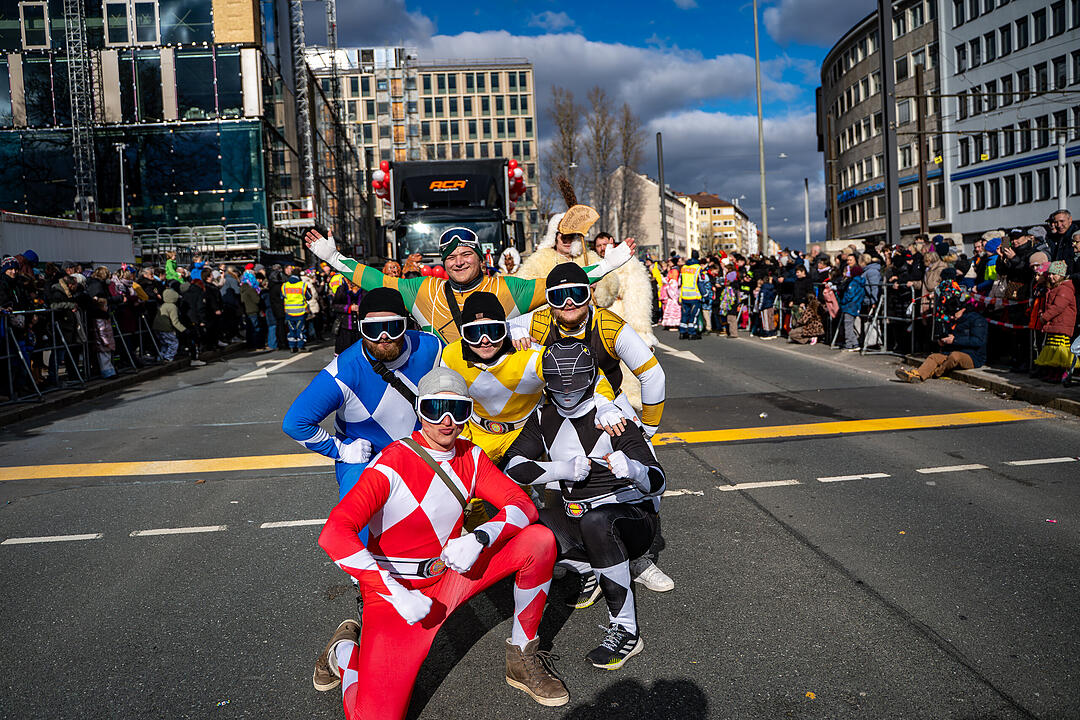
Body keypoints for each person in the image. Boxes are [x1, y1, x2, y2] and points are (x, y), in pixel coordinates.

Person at [313, 367, 568, 717]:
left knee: (539, 541)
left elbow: (522, 505)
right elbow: (334, 533)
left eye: (458, 410)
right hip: (396, 595)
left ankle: (522, 655)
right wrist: (394, 593)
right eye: (435, 409)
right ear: (420, 410)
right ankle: (342, 652)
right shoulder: (391, 463)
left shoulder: (471, 456)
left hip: (449, 576)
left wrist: (480, 537)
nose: (447, 421)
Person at [509, 263, 672, 592]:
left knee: (640, 478)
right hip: (558, 410)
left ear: (590, 294)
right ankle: (578, 557)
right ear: (548, 300)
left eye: (577, 293)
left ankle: (639, 556)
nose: (568, 302)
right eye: (559, 296)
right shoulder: (538, 321)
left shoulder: (608, 324)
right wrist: (512, 332)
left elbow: (652, 374)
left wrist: (648, 430)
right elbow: (497, 326)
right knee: (560, 483)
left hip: (609, 409)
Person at [504, 341, 665, 670]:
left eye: (575, 380)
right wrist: (559, 470)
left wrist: (634, 470)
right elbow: (512, 465)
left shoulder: (613, 416)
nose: (566, 391)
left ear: (590, 377)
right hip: (576, 519)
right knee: (524, 524)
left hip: (630, 522)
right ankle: (589, 571)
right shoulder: (543, 416)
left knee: (597, 522)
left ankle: (626, 629)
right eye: (557, 381)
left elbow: (659, 481)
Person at [304, 199, 634, 344]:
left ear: (479, 257)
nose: (459, 262)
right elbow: (376, 281)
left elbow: (560, 283)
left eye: (466, 255)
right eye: (451, 257)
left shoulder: (507, 289)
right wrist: (335, 258)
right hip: (442, 400)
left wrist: (607, 265)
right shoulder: (424, 290)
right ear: (443, 262)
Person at [283, 288, 442, 502]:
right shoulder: (343, 371)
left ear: (406, 325)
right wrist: (341, 450)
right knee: (356, 514)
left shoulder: (431, 347)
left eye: (393, 327)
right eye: (373, 329)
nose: (383, 337)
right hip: (367, 461)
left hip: (424, 456)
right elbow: (295, 423)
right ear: (360, 328)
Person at [440, 290, 625, 467]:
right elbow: (444, 398)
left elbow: (590, 372)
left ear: (505, 328)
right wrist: (461, 436)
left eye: (494, 330)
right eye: (474, 333)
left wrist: (605, 404)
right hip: (478, 434)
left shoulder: (531, 355)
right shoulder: (450, 355)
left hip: (527, 434)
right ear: (463, 334)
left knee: (519, 483)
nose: (485, 340)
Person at [896, 290, 987, 382]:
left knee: (955, 356)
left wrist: (955, 340)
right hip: (952, 352)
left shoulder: (977, 320)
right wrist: (942, 341)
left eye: (953, 314)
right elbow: (947, 334)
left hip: (972, 356)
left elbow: (978, 341)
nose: (951, 317)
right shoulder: (954, 319)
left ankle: (935, 373)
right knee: (934, 357)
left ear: (962, 310)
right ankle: (917, 375)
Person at [1032, 261, 1076, 383]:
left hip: (1061, 325)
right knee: (1052, 349)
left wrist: (1044, 317)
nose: (1051, 277)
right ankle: (1052, 372)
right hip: (1054, 324)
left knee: (1059, 351)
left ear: (1061, 275)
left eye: (1054, 274)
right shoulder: (1055, 288)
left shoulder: (1064, 289)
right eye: (1050, 274)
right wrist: (1042, 313)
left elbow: (1058, 307)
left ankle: (1059, 374)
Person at [152, 288, 187, 362]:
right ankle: (168, 357)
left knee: (164, 343)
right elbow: (175, 321)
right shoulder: (172, 307)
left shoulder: (163, 305)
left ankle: (161, 357)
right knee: (174, 343)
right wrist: (183, 329)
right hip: (166, 328)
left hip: (156, 327)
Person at [282, 266, 311, 353]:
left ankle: (292, 346)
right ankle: (301, 346)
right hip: (300, 311)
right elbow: (309, 297)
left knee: (291, 329)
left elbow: (282, 296)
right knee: (300, 329)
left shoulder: (285, 285)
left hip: (289, 312)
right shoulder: (303, 285)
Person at [678, 252, 703, 340]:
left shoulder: (684, 268)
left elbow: (680, 281)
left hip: (684, 295)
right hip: (694, 296)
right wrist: (705, 295)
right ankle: (692, 333)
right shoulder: (698, 268)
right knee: (693, 315)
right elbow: (700, 283)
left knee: (684, 315)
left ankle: (682, 332)